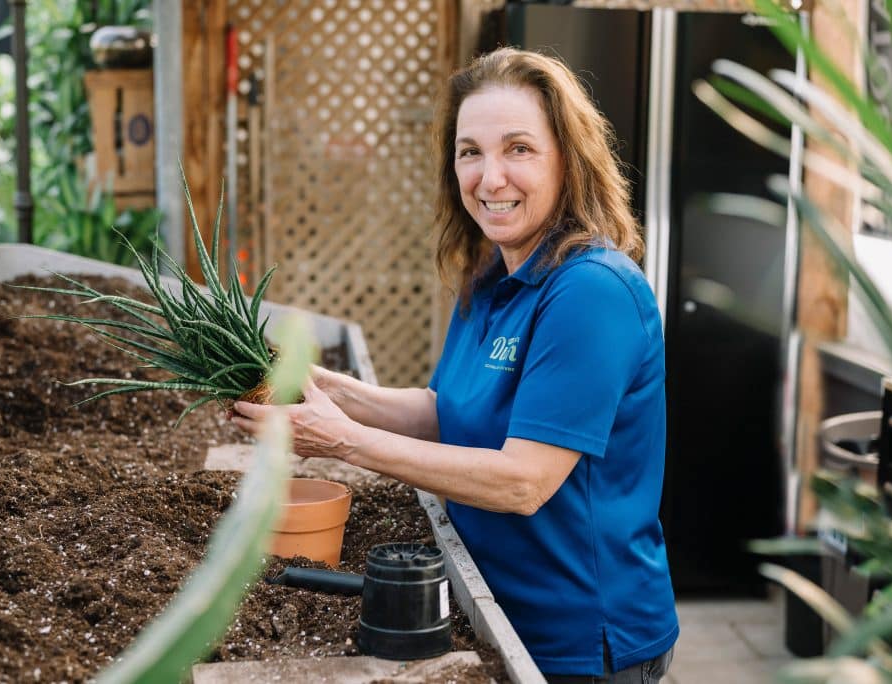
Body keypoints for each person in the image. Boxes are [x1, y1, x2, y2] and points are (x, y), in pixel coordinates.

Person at [231, 47, 678, 683]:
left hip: (581, 644)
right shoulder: (492, 274)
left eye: (518, 148)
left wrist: (343, 440)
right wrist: (315, 384)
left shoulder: (591, 292)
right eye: (470, 151)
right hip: (496, 613)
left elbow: (524, 482)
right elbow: (446, 411)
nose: (490, 177)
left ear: (568, 160)